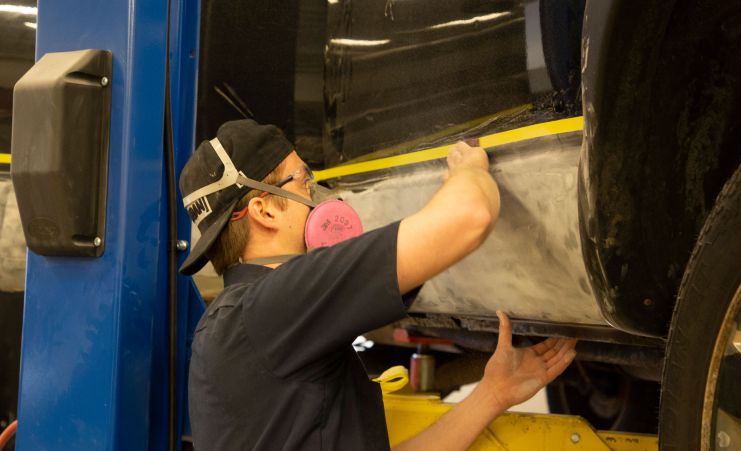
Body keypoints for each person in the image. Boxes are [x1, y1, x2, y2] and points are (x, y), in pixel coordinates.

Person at [180, 119, 577, 450]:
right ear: (264, 209)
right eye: (303, 180)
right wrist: (469, 170)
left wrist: (492, 394)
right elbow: (469, 217)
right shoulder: (270, 307)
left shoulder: (235, 327)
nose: (316, 195)